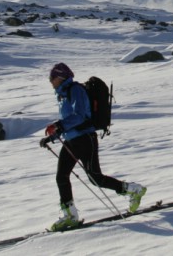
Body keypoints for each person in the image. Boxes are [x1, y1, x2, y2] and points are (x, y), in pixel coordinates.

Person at [40, 62, 147, 231]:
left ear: (61, 77)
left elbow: (80, 116)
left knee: (95, 178)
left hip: (85, 139)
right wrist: (53, 135)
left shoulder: (75, 90)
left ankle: (133, 190)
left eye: (52, 78)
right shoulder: (62, 95)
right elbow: (68, 122)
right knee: (62, 176)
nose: (50, 81)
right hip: (72, 140)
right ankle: (70, 215)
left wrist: (59, 125)